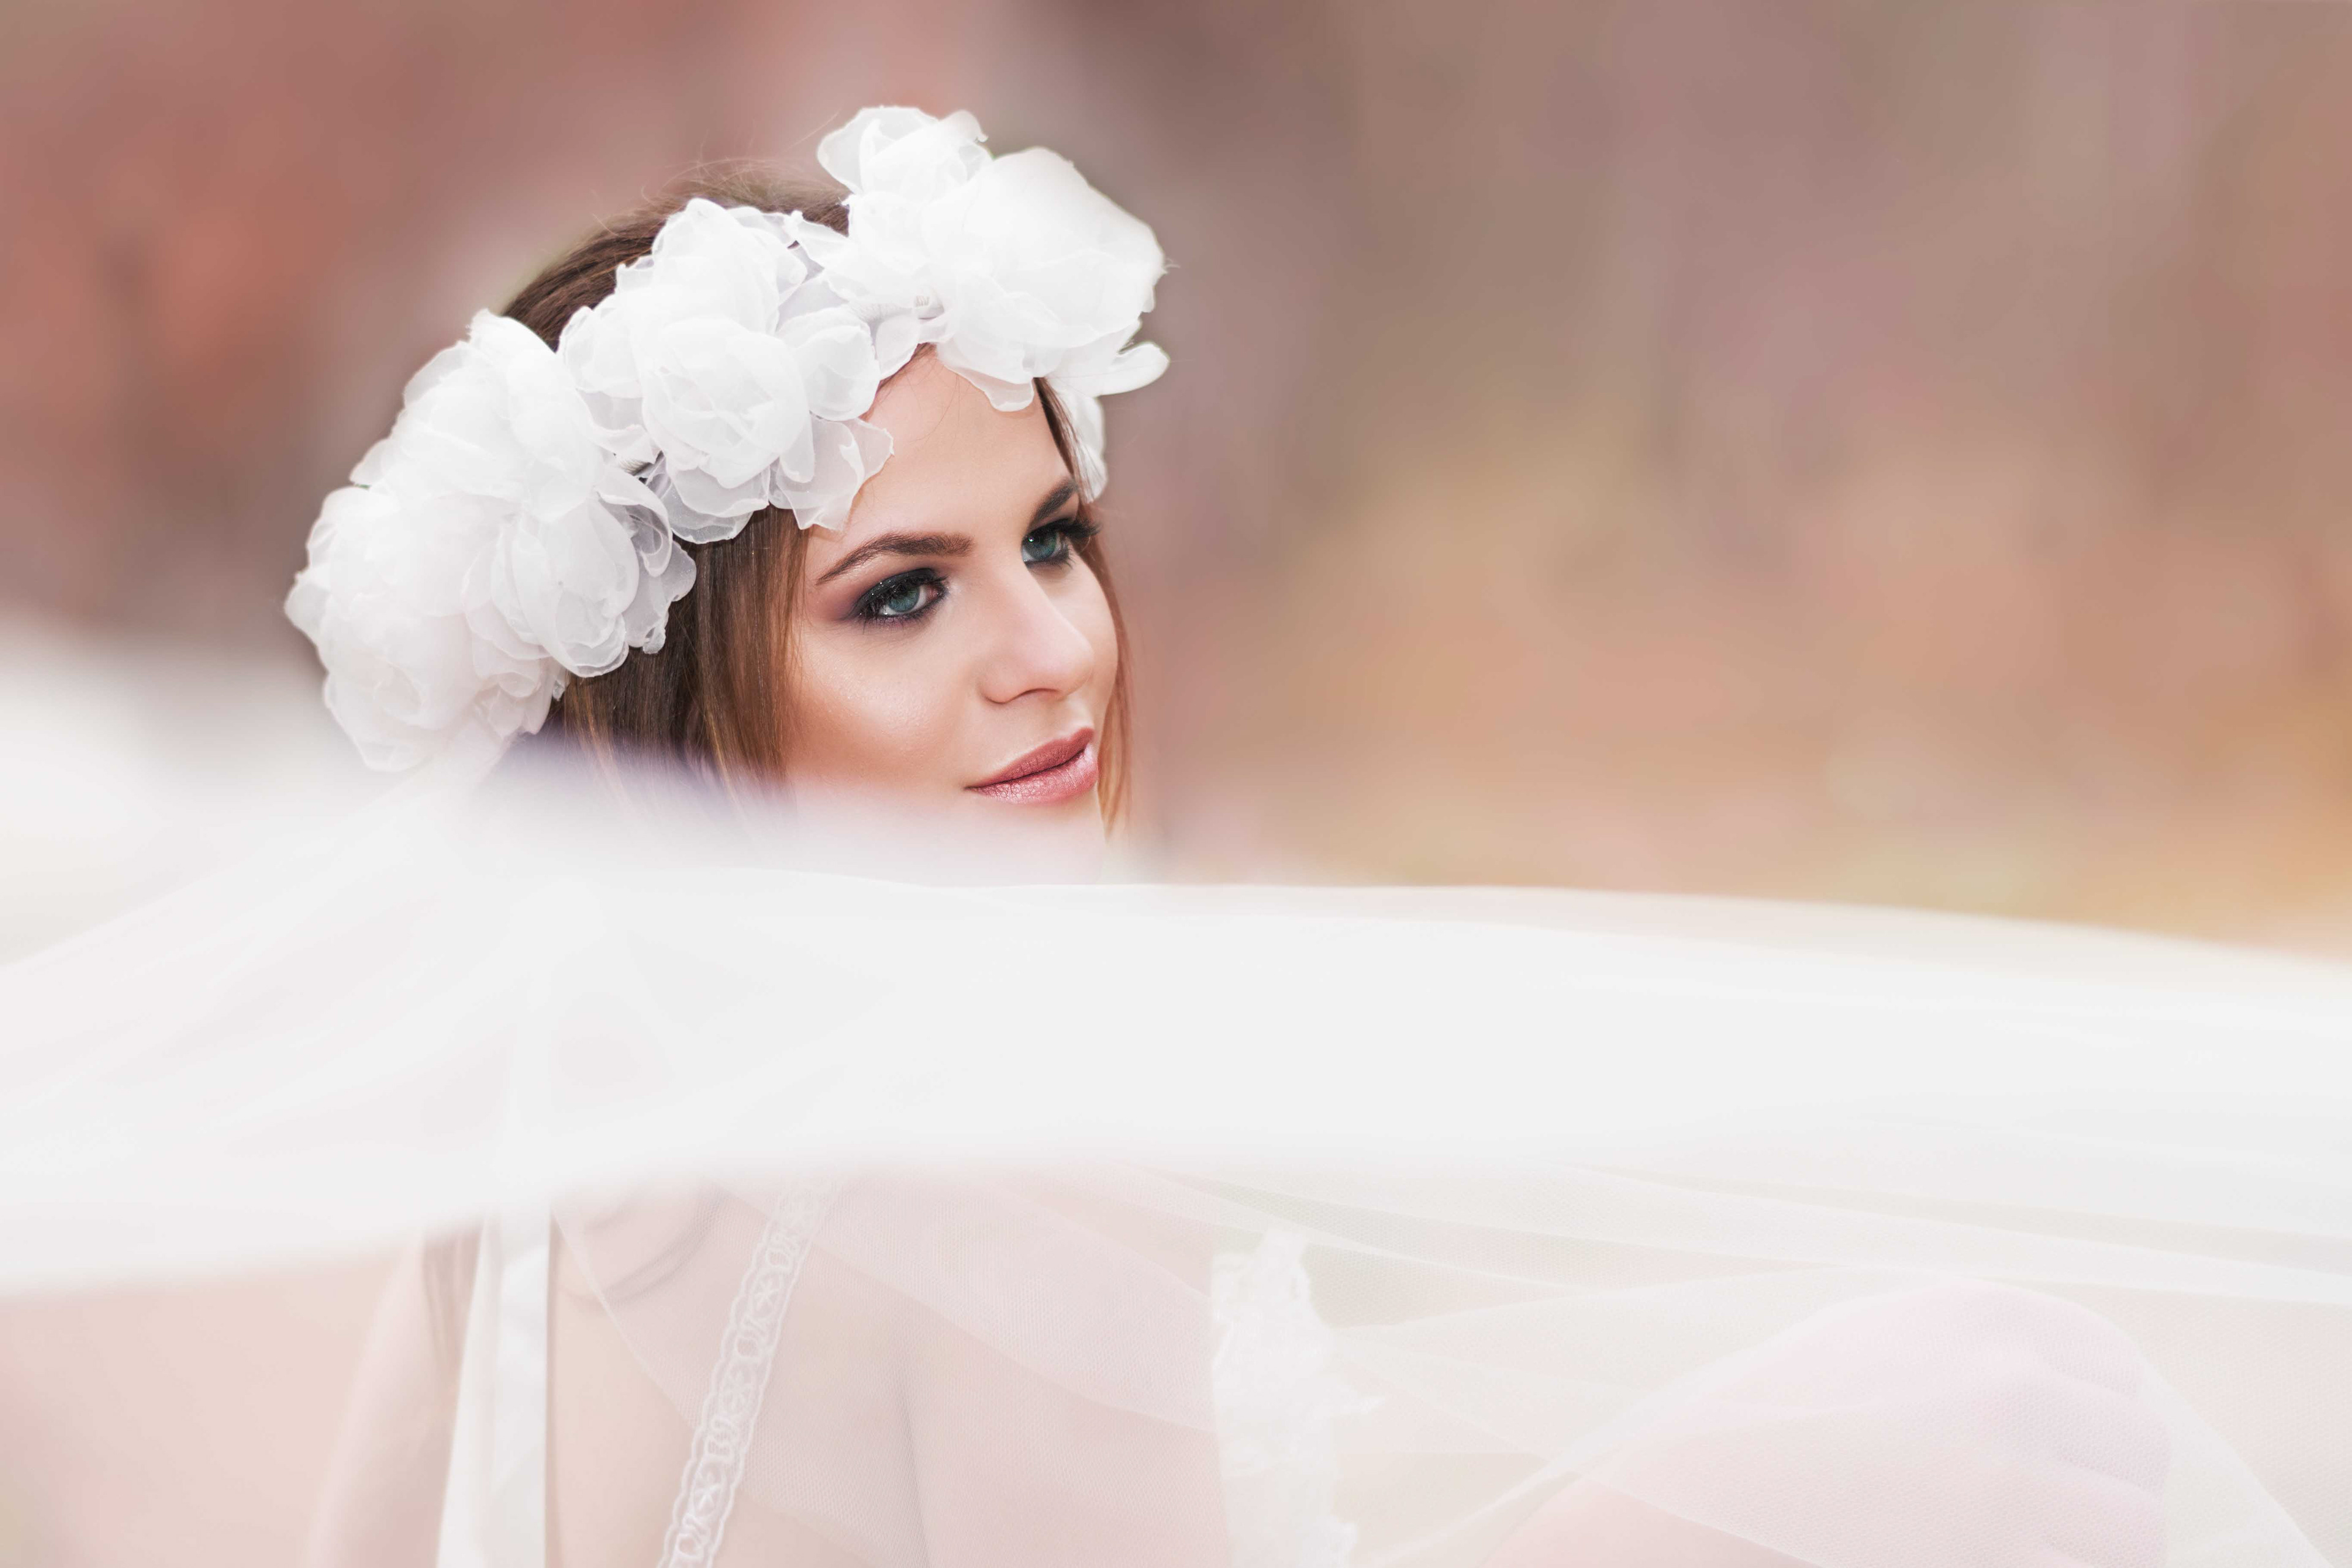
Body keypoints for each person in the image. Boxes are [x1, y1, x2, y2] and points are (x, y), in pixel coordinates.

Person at [4, 106, 2346, 1568]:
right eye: (902, 595)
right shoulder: (1019, 1155)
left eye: (1052, 538)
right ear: (660, 703)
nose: (1052, 650)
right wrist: (1682, 1510)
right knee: (1998, 1416)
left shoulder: (541, 1128)